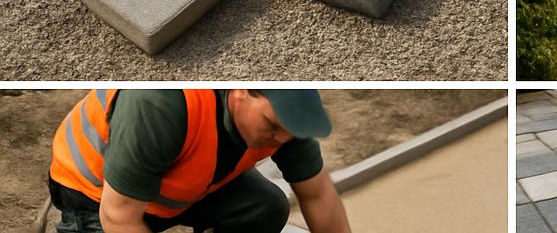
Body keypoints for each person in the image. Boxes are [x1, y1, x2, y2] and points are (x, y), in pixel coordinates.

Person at [49, 87, 351, 233]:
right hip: (94, 192)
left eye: (290, 132)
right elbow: (118, 217)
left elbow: (318, 194)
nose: (282, 140)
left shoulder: (286, 119)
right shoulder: (160, 102)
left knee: (265, 207)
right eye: (272, 126)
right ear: (241, 90)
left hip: (177, 187)